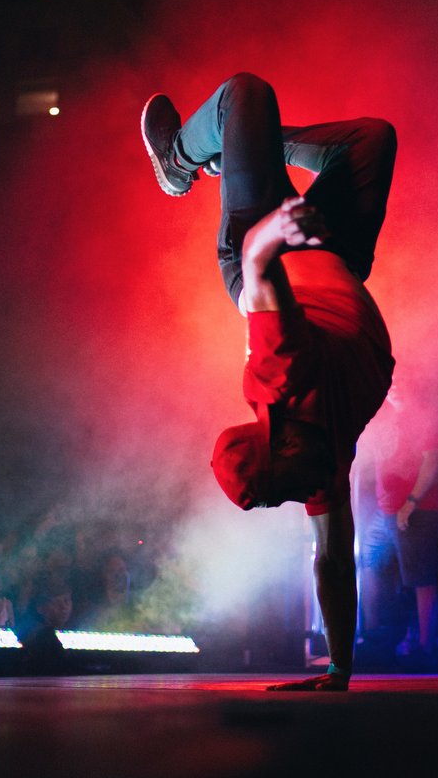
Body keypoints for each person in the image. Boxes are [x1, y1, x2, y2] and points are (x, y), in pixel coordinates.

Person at [141, 71, 396, 691]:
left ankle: (178, 164)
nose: (314, 488)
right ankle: (239, 145)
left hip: (262, 240)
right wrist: (338, 669)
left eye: (295, 480)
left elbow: (258, 271)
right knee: (372, 139)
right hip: (335, 251)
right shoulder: (322, 464)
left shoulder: (281, 382)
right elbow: (333, 561)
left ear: (280, 441)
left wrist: (275, 236)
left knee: (244, 94)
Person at [359, 381, 438, 667]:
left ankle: (425, 647)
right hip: (385, 511)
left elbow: (432, 462)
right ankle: (373, 635)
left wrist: (411, 502)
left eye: (401, 381)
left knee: (420, 579)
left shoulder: (426, 418)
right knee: (369, 563)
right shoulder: (382, 418)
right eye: (390, 382)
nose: (394, 387)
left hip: (418, 510)